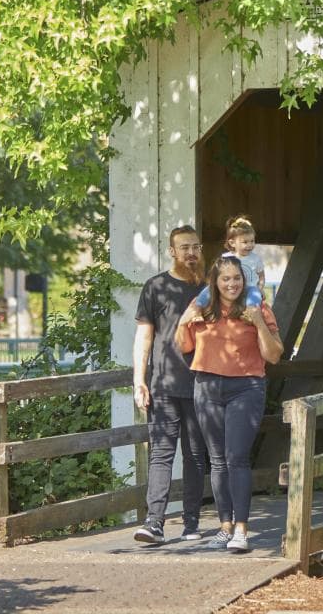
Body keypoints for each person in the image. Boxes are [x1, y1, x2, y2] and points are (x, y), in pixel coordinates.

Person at [176, 254, 283, 553]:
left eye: (237, 278)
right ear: (216, 282)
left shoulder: (256, 306)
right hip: (207, 387)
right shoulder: (203, 307)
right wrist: (184, 322)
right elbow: (183, 345)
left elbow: (274, 354)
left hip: (245, 387)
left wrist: (258, 321)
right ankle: (224, 526)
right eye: (226, 279)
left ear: (243, 279)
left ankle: (241, 530)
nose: (232, 283)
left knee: (236, 456)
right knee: (218, 459)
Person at [131, 225, 208, 544]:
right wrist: (139, 380)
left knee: (194, 455)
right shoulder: (156, 287)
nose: (190, 253)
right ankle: (154, 523)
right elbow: (144, 336)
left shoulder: (211, 289)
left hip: (201, 384)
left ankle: (191, 521)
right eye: (184, 248)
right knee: (161, 453)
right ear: (172, 251)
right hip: (162, 385)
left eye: (195, 247)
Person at [191, 214, 264, 312]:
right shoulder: (226, 257)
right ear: (232, 243)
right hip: (230, 288)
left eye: (252, 241)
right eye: (245, 242)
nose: (250, 245)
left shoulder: (256, 259)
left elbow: (261, 276)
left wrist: (260, 288)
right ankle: (197, 310)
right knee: (208, 290)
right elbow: (215, 274)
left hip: (249, 288)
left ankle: (250, 313)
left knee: (255, 295)